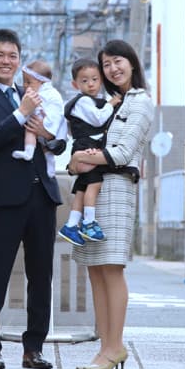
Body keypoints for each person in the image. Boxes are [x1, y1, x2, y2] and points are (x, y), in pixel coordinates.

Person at [0, 29, 62, 369]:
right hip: (5, 199)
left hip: (42, 195)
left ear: (20, 61)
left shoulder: (34, 93)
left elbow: (58, 143)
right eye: (0, 55)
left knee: (40, 274)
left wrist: (47, 134)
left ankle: (34, 346)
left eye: (12, 56)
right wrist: (20, 114)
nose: (6, 61)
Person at [69, 40, 154, 369]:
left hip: (116, 187)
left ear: (132, 62)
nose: (112, 69)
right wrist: (77, 160)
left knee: (112, 268)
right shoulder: (102, 102)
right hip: (93, 186)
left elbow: (121, 151)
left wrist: (79, 159)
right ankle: (105, 347)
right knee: (95, 269)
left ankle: (115, 346)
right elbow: (81, 151)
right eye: (106, 65)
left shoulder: (141, 102)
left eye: (118, 61)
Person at [58, 58, 121, 246]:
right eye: (84, 81)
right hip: (87, 147)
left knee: (82, 189)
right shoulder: (84, 101)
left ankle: (70, 225)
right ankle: (89, 223)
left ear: (101, 79)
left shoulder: (85, 101)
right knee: (95, 184)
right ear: (75, 84)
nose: (91, 84)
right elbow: (98, 120)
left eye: (94, 79)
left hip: (83, 145)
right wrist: (112, 103)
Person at [11, 59, 67, 177]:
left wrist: (47, 130)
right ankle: (29, 152)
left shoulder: (51, 94)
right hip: (34, 124)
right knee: (30, 130)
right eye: (24, 81)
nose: (25, 85)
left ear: (42, 82)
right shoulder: (29, 93)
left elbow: (57, 111)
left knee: (45, 148)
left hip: (48, 121)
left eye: (28, 82)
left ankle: (50, 167)